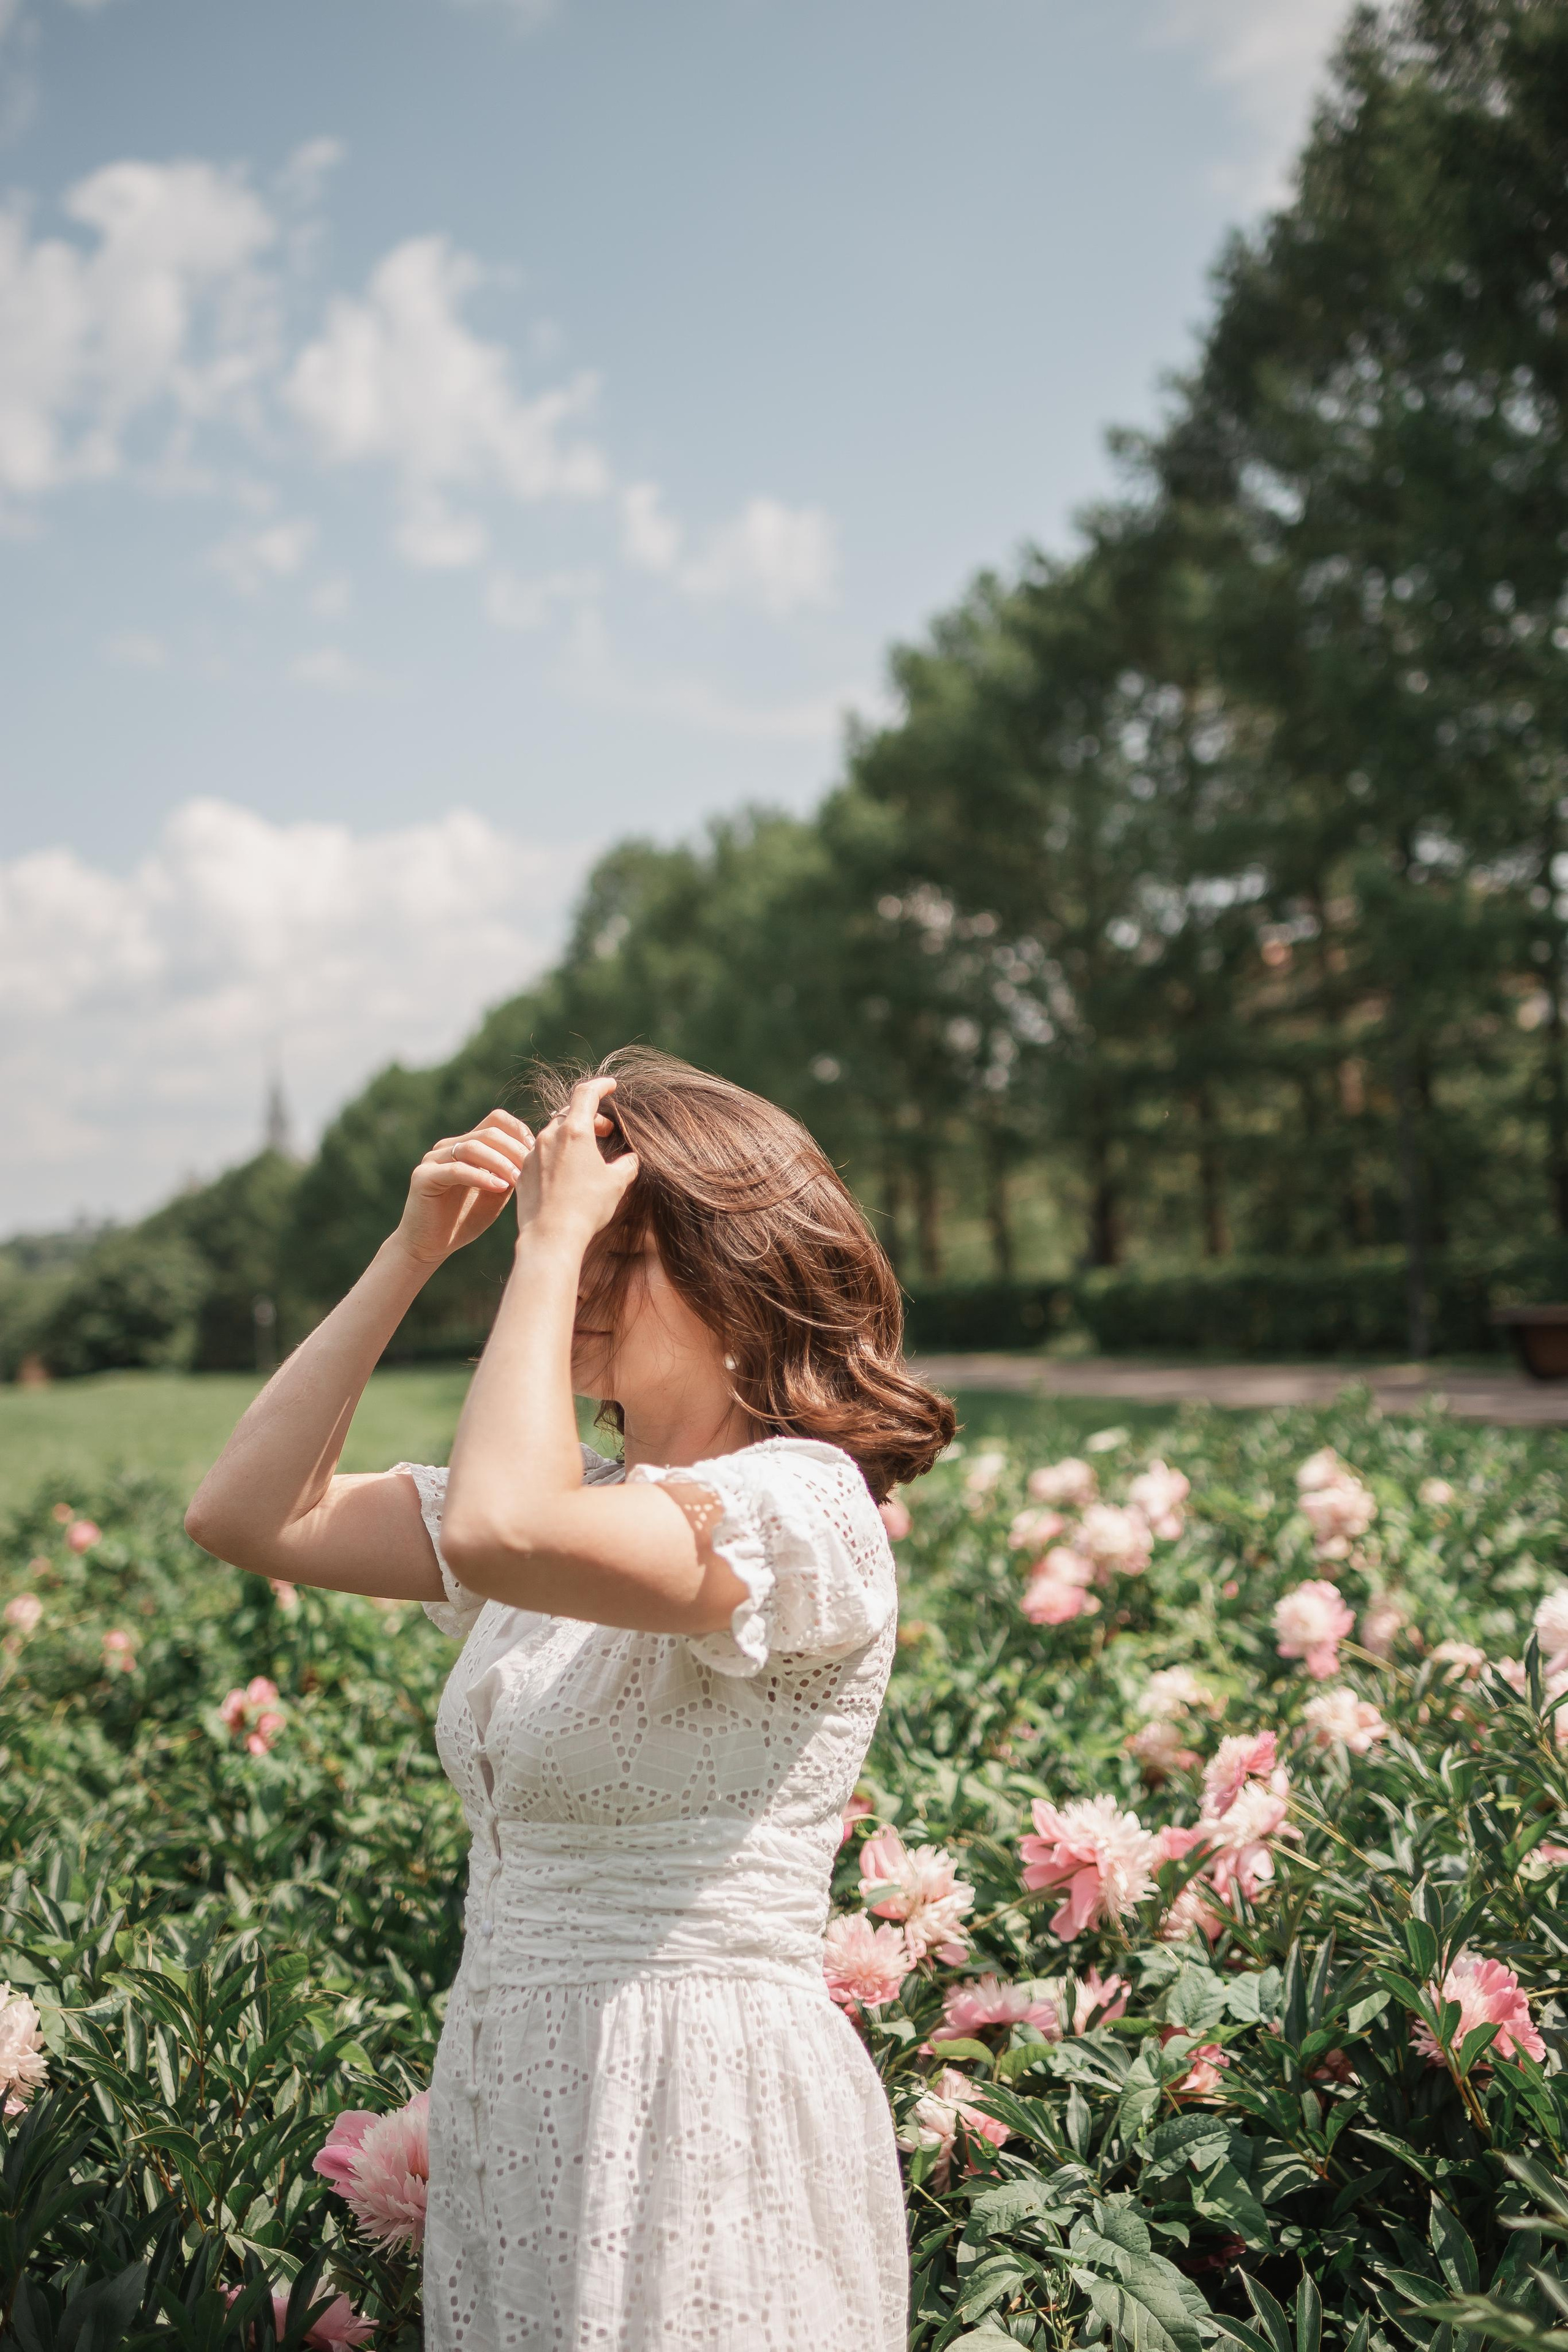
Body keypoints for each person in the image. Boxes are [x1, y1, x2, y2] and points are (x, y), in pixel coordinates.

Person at [185, 1046, 955, 2351]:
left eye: (620, 1247)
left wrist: (542, 1253)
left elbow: (496, 1530)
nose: (583, 1274)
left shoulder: (804, 1508)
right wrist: (412, 1254)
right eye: (576, 1242)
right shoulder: (586, 1503)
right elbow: (250, 1512)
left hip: (701, 2098)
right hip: (523, 2091)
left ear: (741, 1263)